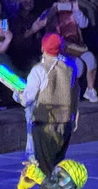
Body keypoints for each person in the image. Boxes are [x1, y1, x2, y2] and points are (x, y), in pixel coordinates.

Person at [17, 34, 79, 175]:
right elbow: (75, 92)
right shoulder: (70, 67)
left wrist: (18, 93)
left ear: (42, 47)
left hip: (45, 124)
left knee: (44, 169)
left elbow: (27, 99)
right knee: (57, 164)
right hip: (65, 123)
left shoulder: (39, 70)